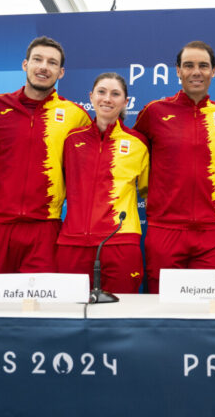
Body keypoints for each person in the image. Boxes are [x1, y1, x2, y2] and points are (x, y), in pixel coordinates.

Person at [133, 41, 215, 293]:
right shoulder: (154, 112)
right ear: (178, 71)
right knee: (162, 307)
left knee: (212, 308)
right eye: (189, 65)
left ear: (213, 71)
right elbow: (127, 151)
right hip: (164, 228)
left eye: (203, 66)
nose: (196, 72)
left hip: (212, 230)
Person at [0, 37, 91, 275]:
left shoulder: (75, 115)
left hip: (45, 225)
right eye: (37, 59)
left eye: (51, 63)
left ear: (60, 72)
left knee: (39, 304)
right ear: (25, 64)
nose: (43, 67)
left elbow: (88, 166)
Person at [56, 73, 148, 292]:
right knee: (70, 315)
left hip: (121, 243)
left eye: (115, 94)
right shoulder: (71, 140)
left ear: (126, 102)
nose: (107, 99)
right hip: (73, 242)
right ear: (91, 96)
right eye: (102, 92)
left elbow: (149, 192)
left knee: (121, 314)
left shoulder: (138, 143)